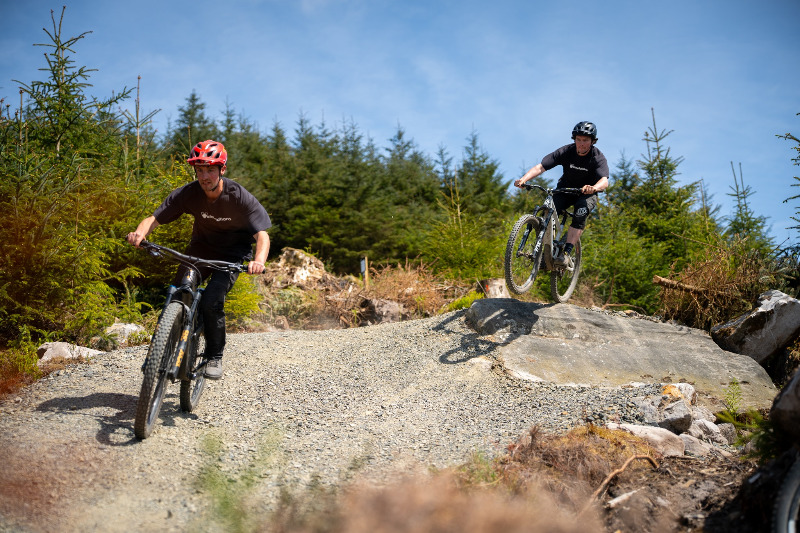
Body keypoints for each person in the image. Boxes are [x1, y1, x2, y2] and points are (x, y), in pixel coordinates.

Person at [127, 140, 271, 379]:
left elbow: (262, 236)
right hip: (201, 250)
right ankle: (160, 350)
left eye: (210, 169)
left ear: (222, 170)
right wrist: (140, 234)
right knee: (179, 291)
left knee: (212, 299)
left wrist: (258, 261)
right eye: (200, 170)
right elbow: (154, 218)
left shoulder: (239, 196)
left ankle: (214, 356)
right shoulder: (189, 194)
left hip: (233, 255)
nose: (204, 176)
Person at [514, 121, 609, 267]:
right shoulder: (566, 151)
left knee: (580, 212)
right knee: (547, 210)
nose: (581, 144)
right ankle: (547, 249)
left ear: (592, 141)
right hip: (565, 190)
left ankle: (566, 253)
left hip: (586, 193)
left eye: (585, 140)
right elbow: (541, 167)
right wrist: (523, 179)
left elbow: (604, 181)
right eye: (578, 139)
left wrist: (594, 188)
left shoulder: (597, 157)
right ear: (574, 139)